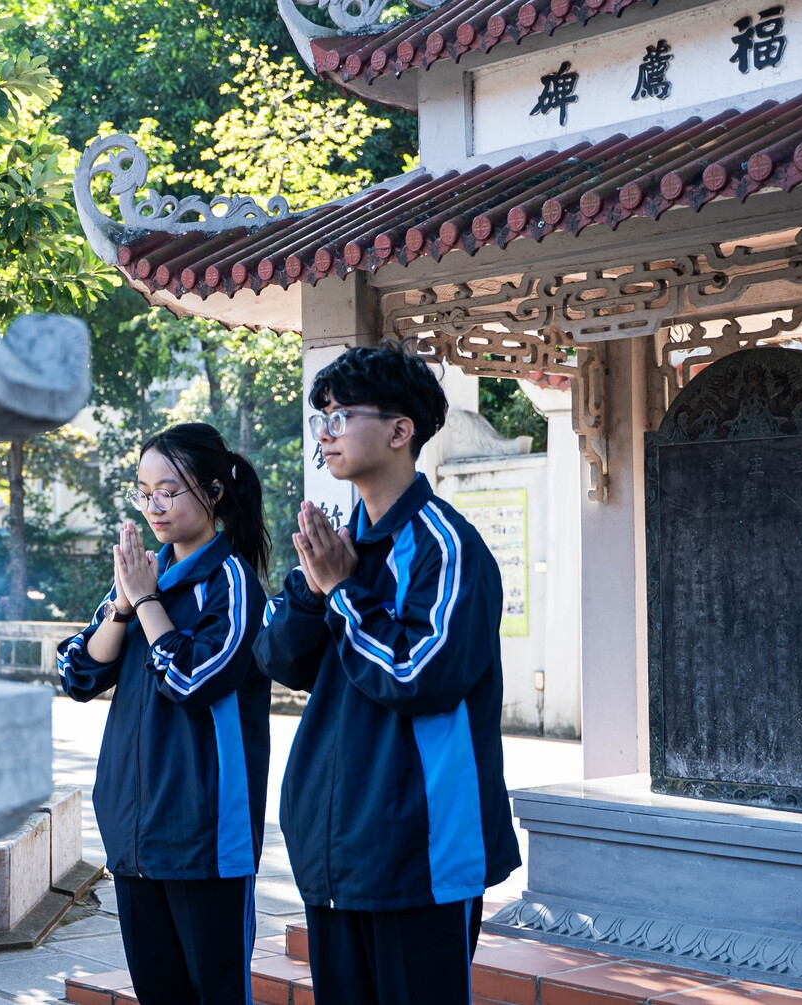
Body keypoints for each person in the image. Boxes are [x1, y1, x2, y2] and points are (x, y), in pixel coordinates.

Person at [253, 345, 521, 1005]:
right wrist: (318, 592)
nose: (325, 432)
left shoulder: (446, 547)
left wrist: (344, 592)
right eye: (320, 418)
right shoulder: (340, 544)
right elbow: (279, 657)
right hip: (335, 848)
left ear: (401, 431)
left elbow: (417, 674)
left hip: (419, 853)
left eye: (341, 415)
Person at [55, 423, 273, 1005]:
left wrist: (148, 602)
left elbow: (190, 679)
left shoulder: (233, 585)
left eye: (169, 491)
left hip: (204, 835)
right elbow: (76, 673)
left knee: (216, 992)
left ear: (214, 492)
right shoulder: (146, 578)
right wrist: (125, 604)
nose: (154, 506)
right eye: (143, 492)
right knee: (159, 992)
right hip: (134, 829)